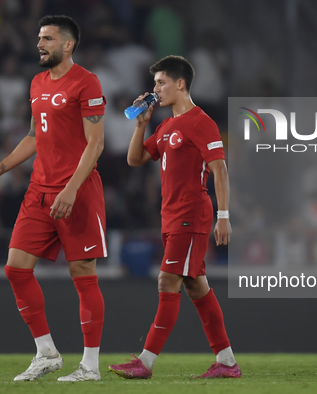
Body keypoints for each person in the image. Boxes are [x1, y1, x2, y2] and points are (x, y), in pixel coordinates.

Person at [0, 15, 107, 382]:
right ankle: (46, 352)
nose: (39, 44)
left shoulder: (87, 82)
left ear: (68, 45)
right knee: (16, 268)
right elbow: (35, 136)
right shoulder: (36, 83)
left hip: (77, 190)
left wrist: (71, 188)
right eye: (39, 38)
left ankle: (90, 366)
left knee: (82, 273)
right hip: (39, 190)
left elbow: (96, 144)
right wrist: (1, 167)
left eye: (48, 38)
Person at [109, 55, 240, 379]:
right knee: (196, 287)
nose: (155, 89)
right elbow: (135, 158)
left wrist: (223, 215)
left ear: (180, 83)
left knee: (167, 279)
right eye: (154, 83)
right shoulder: (166, 125)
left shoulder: (201, 121)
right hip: (170, 216)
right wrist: (141, 125)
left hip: (191, 215)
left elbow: (219, 168)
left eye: (160, 83)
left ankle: (145, 361)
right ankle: (226, 362)